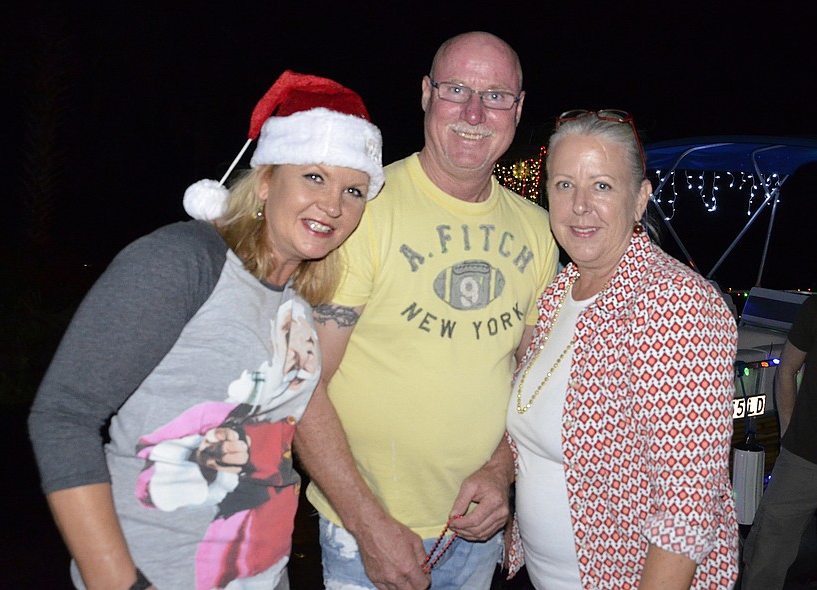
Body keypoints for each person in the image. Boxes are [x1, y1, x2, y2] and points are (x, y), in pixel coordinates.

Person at [27, 70, 384, 590]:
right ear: (265, 181)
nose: (333, 204)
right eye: (314, 176)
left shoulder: (297, 309)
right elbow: (63, 416)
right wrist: (117, 580)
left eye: (353, 189)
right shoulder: (184, 260)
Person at [294, 31, 558, 590]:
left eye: (496, 96)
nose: (473, 112)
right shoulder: (364, 208)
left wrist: (499, 471)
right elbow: (301, 384)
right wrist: (370, 527)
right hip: (366, 538)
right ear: (424, 94)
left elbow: (527, 384)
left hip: (475, 535)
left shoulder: (538, 230)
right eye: (456, 89)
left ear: (519, 108)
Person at [505, 110, 739, 589]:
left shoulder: (672, 302)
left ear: (641, 199)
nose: (580, 206)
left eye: (603, 186)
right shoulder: (558, 294)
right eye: (564, 185)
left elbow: (688, 505)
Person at [741, 295, 817, 588]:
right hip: (803, 458)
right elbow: (786, 370)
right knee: (766, 556)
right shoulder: (814, 308)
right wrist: (788, 436)